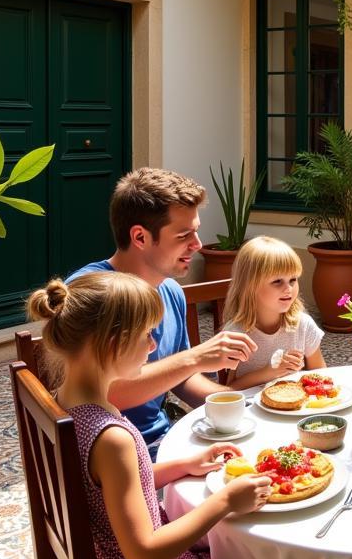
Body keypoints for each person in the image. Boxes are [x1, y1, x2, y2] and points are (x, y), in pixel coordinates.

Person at [27, 272, 272, 559]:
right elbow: (144, 556)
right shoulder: (112, 439)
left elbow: (103, 490)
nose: (154, 345)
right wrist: (224, 502)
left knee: (236, 549)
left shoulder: (64, 402)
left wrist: (184, 465)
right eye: (146, 336)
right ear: (112, 343)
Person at [68, 167, 257, 453]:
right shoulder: (91, 294)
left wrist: (235, 401)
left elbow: (181, 379)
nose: (197, 245)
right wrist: (195, 358)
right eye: (183, 236)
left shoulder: (171, 292)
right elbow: (103, 394)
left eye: (196, 231)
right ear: (140, 237)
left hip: (164, 441)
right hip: (114, 457)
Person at [220, 236, 326, 388]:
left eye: (293, 280)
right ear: (250, 286)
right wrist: (269, 372)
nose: (288, 288)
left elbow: (322, 376)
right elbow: (230, 390)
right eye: (277, 281)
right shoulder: (236, 334)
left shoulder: (303, 325)